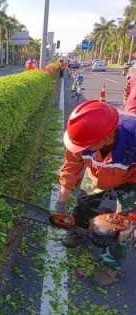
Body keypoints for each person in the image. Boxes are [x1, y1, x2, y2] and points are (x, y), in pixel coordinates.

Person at [56, 100, 136, 286]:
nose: (81, 149)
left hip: (130, 179)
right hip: (97, 173)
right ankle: (79, 231)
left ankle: (110, 264)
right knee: (84, 203)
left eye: (87, 146)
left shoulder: (133, 136)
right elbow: (71, 167)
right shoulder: (81, 136)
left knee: (120, 224)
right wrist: (61, 202)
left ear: (107, 138)